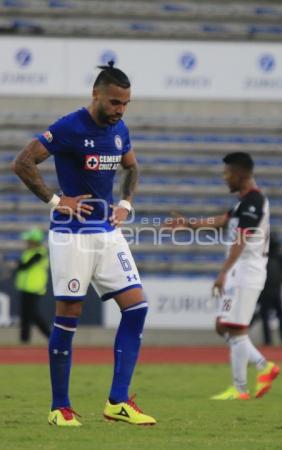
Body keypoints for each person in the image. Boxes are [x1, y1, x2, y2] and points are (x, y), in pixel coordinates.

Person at [12, 61, 156, 426]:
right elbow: (23, 162)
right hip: (71, 235)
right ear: (96, 94)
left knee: (137, 308)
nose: (119, 111)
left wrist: (125, 204)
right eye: (113, 103)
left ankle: (118, 402)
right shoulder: (69, 127)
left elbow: (132, 166)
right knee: (69, 316)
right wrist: (57, 202)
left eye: (125, 104)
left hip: (107, 233)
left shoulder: (120, 129)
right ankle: (59, 408)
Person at [165, 152, 280, 400]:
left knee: (234, 328)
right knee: (224, 326)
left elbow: (240, 240)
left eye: (227, 174)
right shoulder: (244, 202)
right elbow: (222, 220)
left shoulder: (254, 202)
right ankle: (257, 372)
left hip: (246, 272)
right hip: (241, 271)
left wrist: (223, 273)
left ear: (240, 174)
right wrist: (190, 224)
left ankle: (249, 381)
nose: (225, 178)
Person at [257, 231, 282, 345]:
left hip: (265, 291)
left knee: (266, 316)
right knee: (280, 315)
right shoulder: (280, 258)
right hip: (275, 291)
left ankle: (268, 340)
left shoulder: (262, 257)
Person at [15, 227, 50, 343]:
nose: (27, 242)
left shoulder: (40, 253)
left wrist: (18, 265)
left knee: (33, 314)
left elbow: (25, 266)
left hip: (35, 288)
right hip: (25, 287)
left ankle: (49, 335)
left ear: (35, 241)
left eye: (29, 240)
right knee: (25, 315)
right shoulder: (29, 252)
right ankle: (24, 340)